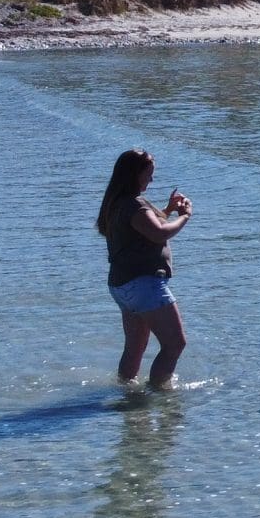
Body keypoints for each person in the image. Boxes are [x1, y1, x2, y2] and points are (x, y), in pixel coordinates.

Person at [97, 148, 193, 388]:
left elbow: (144, 226)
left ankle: (126, 396)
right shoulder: (134, 205)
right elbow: (158, 233)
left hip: (122, 285)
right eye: (148, 174)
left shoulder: (117, 202)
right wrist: (184, 217)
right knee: (175, 344)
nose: (151, 179)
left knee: (135, 348)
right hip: (143, 285)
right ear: (134, 174)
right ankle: (158, 397)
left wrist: (169, 210)